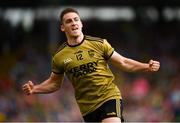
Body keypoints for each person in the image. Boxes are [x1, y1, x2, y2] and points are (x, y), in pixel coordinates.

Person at [22, 8, 160, 122]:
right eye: (69, 21)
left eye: (76, 20)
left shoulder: (99, 44)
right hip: (87, 108)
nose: (73, 23)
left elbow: (123, 62)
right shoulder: (59, 56)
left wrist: (146, 66)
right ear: (63, 28)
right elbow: (54, 83)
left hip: (109, 97)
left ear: (81, 24)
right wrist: (35, 89)